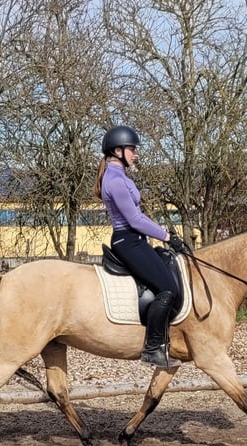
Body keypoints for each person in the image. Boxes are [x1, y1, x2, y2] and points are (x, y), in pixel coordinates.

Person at [94, 125, 186, 368]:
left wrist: (164, 233)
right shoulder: (114, 180)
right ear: (118, 150)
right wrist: (166, 235)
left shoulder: (120, 177)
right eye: (132, 149)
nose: (135, 154)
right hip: (128, 240)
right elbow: (134, 220)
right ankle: (152, 348)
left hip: (135, 239)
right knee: (168, 289)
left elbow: (140, 216)